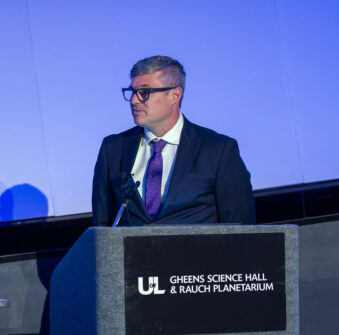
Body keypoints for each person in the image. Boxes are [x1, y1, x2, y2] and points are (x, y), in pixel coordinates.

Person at [92, 55, 255, 226]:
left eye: (144, 92)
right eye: (132, 92)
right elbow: (101, 231)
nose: (133, 100)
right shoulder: (113, 149)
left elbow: (241, 228)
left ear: (175, 95)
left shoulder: (218, 150)